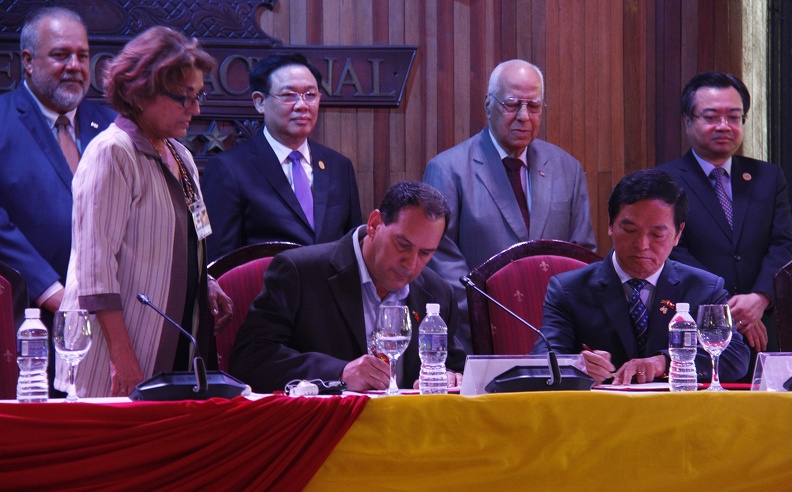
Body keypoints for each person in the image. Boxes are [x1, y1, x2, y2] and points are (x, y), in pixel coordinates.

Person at [55, 26, 232, 398]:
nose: (196, 109)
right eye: (184, 98)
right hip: (116, 350)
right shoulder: (112, 152)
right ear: (142, 91)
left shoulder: (181, 156)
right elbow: (94, 269)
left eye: (198, 96)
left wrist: (203, 281)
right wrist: (122, 356)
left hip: (174, 337)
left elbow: (188, 236)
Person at [423, 59, 596, 352]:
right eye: (512, 104)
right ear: (488, 105)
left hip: (557, 341)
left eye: (534, 106)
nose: (524, 116)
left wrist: (560, 323)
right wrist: (493, 317)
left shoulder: (568, 168)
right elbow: (442, 263)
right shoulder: (448, 169)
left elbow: (582, 254)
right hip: (478, 340)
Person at [230, 181, 467, 393]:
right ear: (374, 224)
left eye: (425, 253)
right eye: (403, 245)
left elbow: (454, 366)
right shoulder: (300, 272)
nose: (412, 264)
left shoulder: (436, 291)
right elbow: (251, 359)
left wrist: (451, 377)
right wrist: (339, 373)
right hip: (324, 431)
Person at [533, 169, 750, 385]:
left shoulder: (704, 288)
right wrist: (577, 365)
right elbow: (542, 360)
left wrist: (664, 362)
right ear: (610, 224)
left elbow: (735, 357)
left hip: (679, 413)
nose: (642, 245)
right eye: (629, 231)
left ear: (678, 233)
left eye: (657, 234)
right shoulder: (569, 289)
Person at [659, 71, 792, 359]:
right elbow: (670, 250)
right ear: (687, 120)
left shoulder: (768, 177)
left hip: (766, 324)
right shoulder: (663, 181)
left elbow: (783, 243)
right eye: (711, 117)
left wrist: (760, 297)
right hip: (696, 324)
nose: (724, 126)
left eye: (734, 117)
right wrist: (725, 306)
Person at [0, 7, 115, 314]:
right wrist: (53, 293)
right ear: (28, 61)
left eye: (82, 55)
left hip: (111, 312)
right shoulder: (2, 120)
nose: (74, 66)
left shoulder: (113, 126)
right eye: (61, 55)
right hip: (26, 313)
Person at [201, 53, 362, 260]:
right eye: (289, 95)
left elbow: (353, 245)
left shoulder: (338, 166)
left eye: (310, 95)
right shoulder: (228, 169)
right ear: (260, 102)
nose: (302, 105)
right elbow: (220, 260)